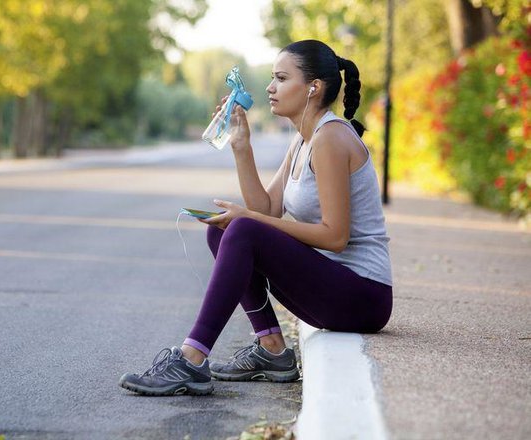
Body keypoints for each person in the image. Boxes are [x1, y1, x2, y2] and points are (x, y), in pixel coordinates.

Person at [119, 39, 393, 396]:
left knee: (244, 228)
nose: (270, 87)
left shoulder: (331, 139)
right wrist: (241, 147)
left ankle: (191, 359)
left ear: (314, 88)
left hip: (362, 295)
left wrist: (248, 218)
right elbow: (267, 209)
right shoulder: (303, 140)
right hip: (335, 285)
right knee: (227, 230)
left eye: (281, 78)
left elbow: (335, 236)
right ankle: (272, 350)